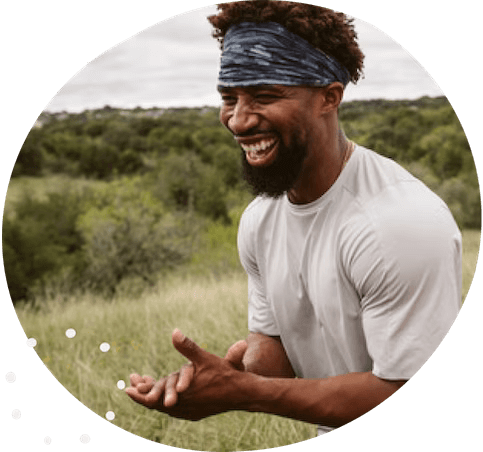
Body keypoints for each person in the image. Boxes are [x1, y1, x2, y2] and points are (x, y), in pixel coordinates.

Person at [126, 0, 461, 435]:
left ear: (329, 96)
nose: (239, 120)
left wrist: (243, 392)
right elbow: (275, 348)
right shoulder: (261, 220)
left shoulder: (398, 225)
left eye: (265, 96)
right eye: (229, 97)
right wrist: (218, 381)